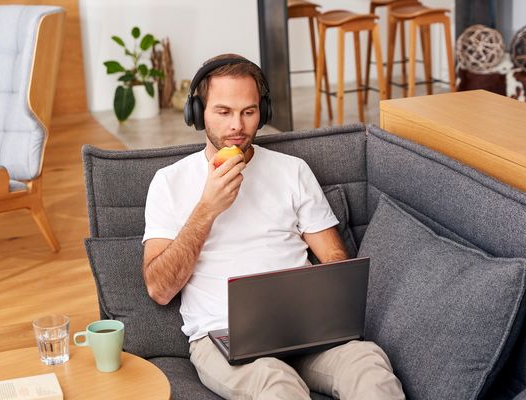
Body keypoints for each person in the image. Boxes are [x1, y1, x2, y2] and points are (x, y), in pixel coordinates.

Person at [142, 53, 405, 400]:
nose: (237, 126)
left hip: (305, 331)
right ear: (198, 113)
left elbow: (334, 256)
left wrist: (327, 305)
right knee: (275, 383)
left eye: (248, 112)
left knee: (368, 363)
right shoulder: (169, 182)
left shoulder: (292, 170)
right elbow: (159, 289)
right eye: (223, 112)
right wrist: (206, 210)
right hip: (223, 338)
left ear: (262, 113)